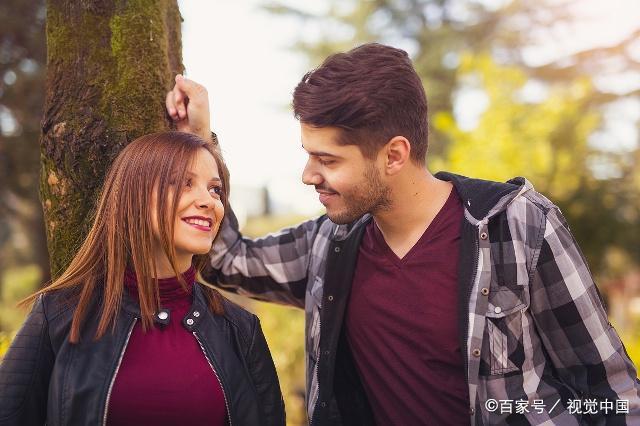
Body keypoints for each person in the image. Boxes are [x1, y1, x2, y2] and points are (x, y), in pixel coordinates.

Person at [166, 43, 640, 425]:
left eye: (328, 160)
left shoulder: (519, 227)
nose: (308, 175)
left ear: (394, 155)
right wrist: (203, 142)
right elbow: (226, 260)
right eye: (308, 155)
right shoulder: (329, 244)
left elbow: (614, 395)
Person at [0, 131, 285, 426]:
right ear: (134, 196)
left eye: (215, 189)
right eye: (184, 183)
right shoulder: (60, 313)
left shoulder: (239, 327)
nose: (208, 201)